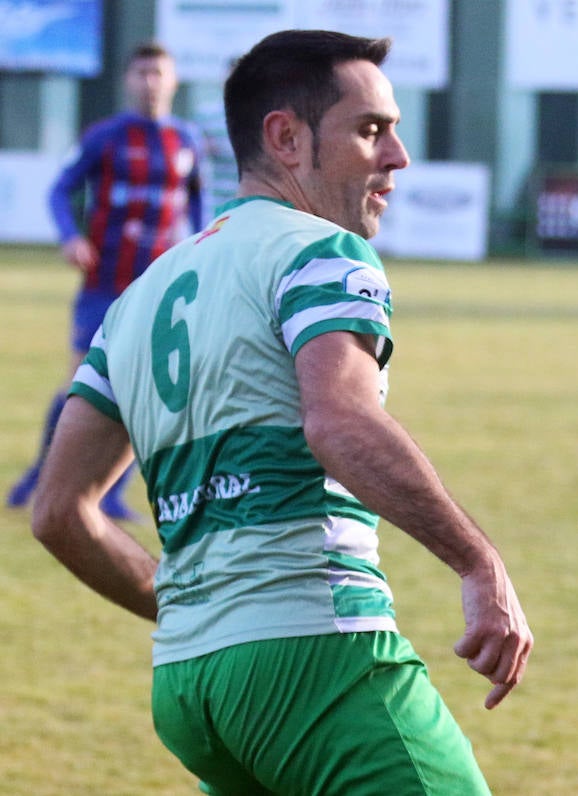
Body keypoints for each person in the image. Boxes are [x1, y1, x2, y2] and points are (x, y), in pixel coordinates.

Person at [30, 29, 533, 795]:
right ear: (286, 138)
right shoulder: (321, 252)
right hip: (315, 656)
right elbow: (339, 422)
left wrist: (189, 604)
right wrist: (478, 562)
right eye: (370, 130)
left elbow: (59, 511)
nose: (397, 156)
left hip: (190, 684)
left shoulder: (140, 297)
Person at [8, 42, 205, 521]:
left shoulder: (187, 141)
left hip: (156, 287)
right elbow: (60, 190)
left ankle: (112, 490)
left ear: (173, 80)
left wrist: (202, 250)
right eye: (141, 73)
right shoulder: (106, 137)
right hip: (104, 280)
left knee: (146, 386)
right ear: (128, 81)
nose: (150, 82)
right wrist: (71, 236)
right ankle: (41, 474)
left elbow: (197, 206)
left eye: (158, 72)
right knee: (82, 381)